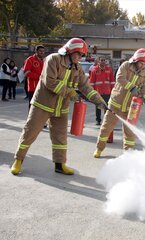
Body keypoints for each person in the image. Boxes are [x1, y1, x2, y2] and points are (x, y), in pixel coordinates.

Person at [10, 38, 106, 176]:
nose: (79, 58)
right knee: (30, 133)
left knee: (60, 137)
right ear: (70, 51)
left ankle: (60, 164)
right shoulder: (52, 59)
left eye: (81, 55)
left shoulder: (77, 68)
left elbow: (85, 87)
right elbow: (49, 81)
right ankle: (18, 160)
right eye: (78, 54)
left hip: (61, 108)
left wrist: (99, 101)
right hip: (43, 104)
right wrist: (70, 92)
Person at [93, 48, 145, 158]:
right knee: (106, 128)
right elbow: (120, 78)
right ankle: (99, 149)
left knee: (130, 133)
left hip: (130, 108)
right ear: (135, 60)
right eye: (141, 63)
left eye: (144, 63)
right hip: (115, 105)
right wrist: (132, 87)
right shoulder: (126, 66)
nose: (143, 65)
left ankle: (127, 155)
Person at [89, 56, 115, 125]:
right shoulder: (94, 70)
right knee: (98, 107)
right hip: (98, 92)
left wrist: (113, 91)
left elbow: (112, 81)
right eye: (101, 60)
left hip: (107, 92)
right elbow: (91, 82)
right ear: (98, 61)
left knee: (106, 107)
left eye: (104, 60)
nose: (103, 61)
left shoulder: (109, 70)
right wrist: (93, 92)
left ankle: (106, 120)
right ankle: (98, 120)